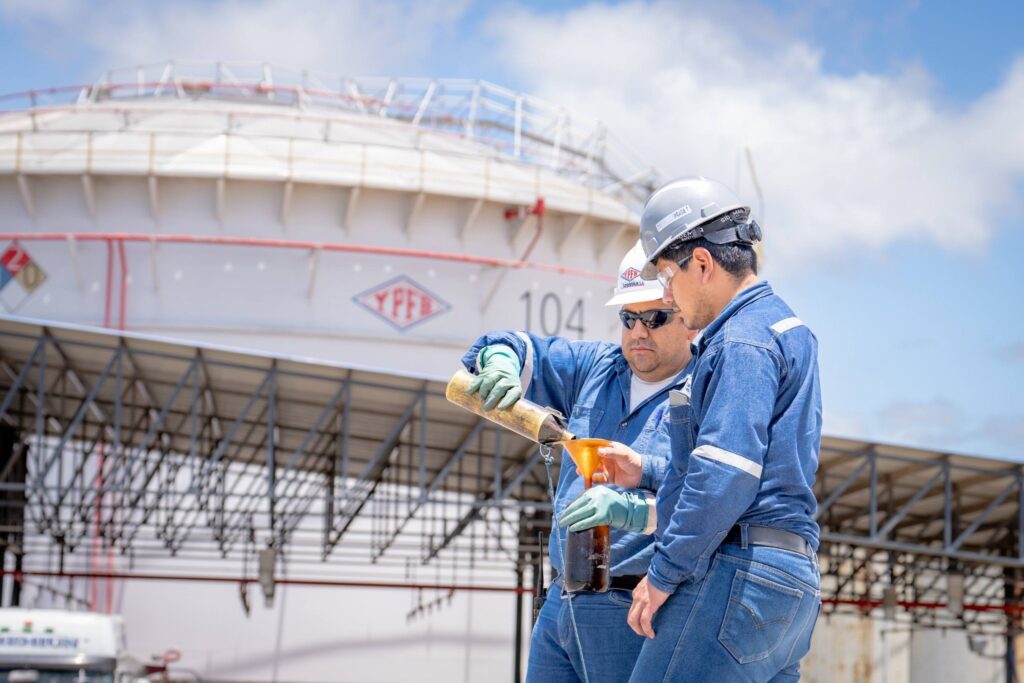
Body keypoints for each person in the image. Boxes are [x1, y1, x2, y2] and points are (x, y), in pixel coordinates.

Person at [460, 241, 698, 683]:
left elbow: (710, 489)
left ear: (688, 319)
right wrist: (500, 363)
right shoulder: (595, 369)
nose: (638, 332)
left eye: (655, 318)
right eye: (628, 319)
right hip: (561, 603)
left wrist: (639, 492)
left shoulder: (705, 391)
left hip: (637, 607)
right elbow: (511, 344)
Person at [619, 176, 821, 682]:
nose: (666, 292)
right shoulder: (788, 330)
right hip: (790, 580)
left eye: (667, 275)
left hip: (738, 572)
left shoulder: (740, 341)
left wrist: (663, 572)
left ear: (703, 264)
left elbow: (725, 471)